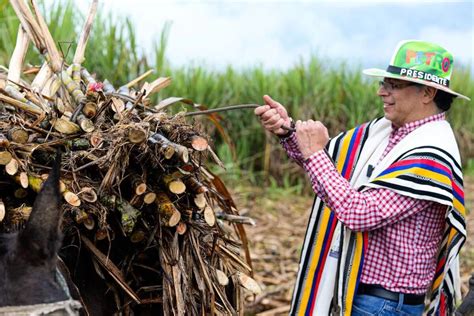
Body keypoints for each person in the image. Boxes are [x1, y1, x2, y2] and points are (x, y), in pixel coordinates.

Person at [255, 40, 470, 315]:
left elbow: (358, 213)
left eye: (392, 85)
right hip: (367, 298)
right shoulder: (389, 134)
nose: (381, 92)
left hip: (385, 306)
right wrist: (289, 133)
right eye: (383, 82)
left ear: (427, 93)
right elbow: (334, 172)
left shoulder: (430, 154)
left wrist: (314, 153)